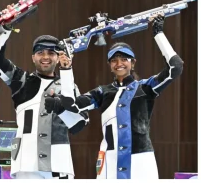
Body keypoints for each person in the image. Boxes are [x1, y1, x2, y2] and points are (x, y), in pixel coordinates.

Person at [44, 15, 183, 179]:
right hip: (109, 162)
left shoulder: (145, 87)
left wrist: (158, 33)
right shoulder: (102, 92)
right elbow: (71, 104)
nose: (119, 64)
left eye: (124, 59)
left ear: (133, 63)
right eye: (114, 60)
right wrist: (66, 68)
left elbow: (176, 67)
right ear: (109, 65)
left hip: (140, 161)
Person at [0, 20, 88, 179]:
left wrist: (67, 71)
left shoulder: (69, 85)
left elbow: (79, 124)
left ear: (58, 57)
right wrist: (4, 30)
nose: (45, 57)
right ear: (33, 57)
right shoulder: (21, 80)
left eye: (51, 53)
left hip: (59, 166)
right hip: (26, 165)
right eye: (40, 52)